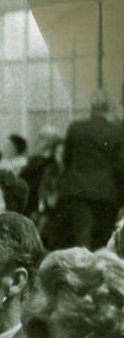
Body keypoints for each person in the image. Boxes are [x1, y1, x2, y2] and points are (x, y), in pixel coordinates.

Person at [55, 91, 124, 249]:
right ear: (108, 109)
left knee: (81, 236)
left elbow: (66, 159)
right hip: (106, 193)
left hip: (77, 190)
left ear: (91, 108)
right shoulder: (116, 131)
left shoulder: (76, 127)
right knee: (102, 238)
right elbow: (120, 165)